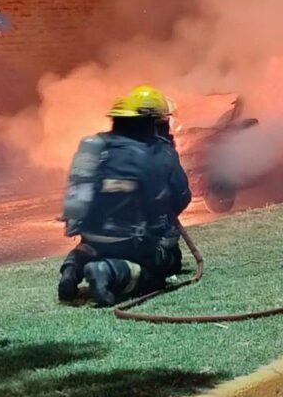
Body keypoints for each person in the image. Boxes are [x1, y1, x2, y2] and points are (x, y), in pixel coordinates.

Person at [58, 85, 192, 307]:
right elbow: (181, 198)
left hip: (91, 237)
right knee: (167, 264)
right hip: (133, 241)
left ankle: (73, 265)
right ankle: (108, 272)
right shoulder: (160, 152)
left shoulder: (97, 146)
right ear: (154, 122)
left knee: (98, 245)